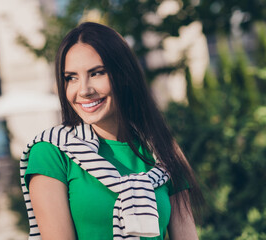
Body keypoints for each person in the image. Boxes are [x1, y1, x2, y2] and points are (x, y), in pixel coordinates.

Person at [20, 22, 203, 240]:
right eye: (71, 78)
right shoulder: (52, 153)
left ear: (123, 76)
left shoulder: (163, 151)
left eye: (97, 73)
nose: (84, 90)